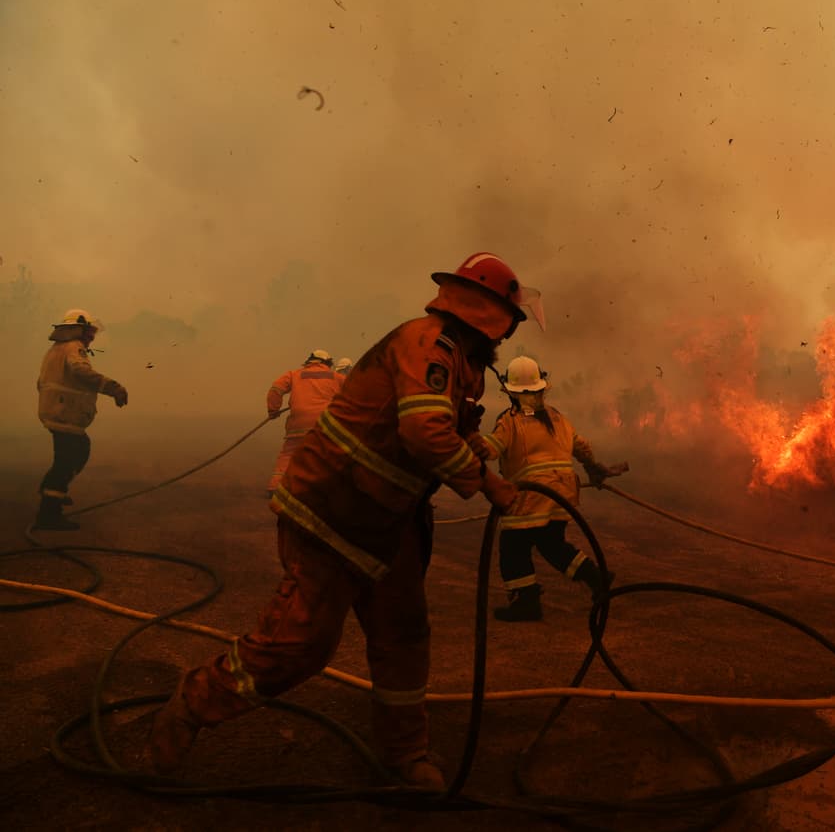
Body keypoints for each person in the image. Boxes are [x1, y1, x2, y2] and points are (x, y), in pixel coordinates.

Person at [147, 252, 543, 790]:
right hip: (332, 514)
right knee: (299, 645)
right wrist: (486, 481)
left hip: (388, 526)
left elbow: (444, 424)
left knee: (403, 637)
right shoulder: (429, 344)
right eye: (508, 324)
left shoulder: (460, 361)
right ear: (493, 317)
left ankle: (404, 754)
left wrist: (475, 447)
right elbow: (425, 432)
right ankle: (191, 705)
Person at [472, 355, 625, 622]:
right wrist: (594, 468)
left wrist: (468, 439)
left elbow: (491, 449)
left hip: (532, 494)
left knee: (513, 546)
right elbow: (581, 446)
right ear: (542, 388)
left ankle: (526, 602)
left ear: (510, 391)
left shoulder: (511, 420)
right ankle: (595, 577)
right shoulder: (556, 417)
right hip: (563, 493)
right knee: (552, 545)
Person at [33, 309, 128, 531]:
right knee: (68, 461)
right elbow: (80, 371)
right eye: (89, 331)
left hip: (57, 413)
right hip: (65, 415)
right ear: (78, 329)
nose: (92, 336)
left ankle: (52, 490)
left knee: (75, 453)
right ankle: (49, 512)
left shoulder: (55, 350)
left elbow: (41, 382)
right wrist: (113, 388)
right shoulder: (73, 348)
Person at [264, 349, 343, 496]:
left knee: (289, 453)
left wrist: (273, 410)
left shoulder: (294, 375)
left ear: (309, 361)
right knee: (327, 455)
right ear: (327, 363)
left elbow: (275, 389)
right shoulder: (337, 377)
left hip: (299, 424)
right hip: (324, 425)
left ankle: (276, 487)